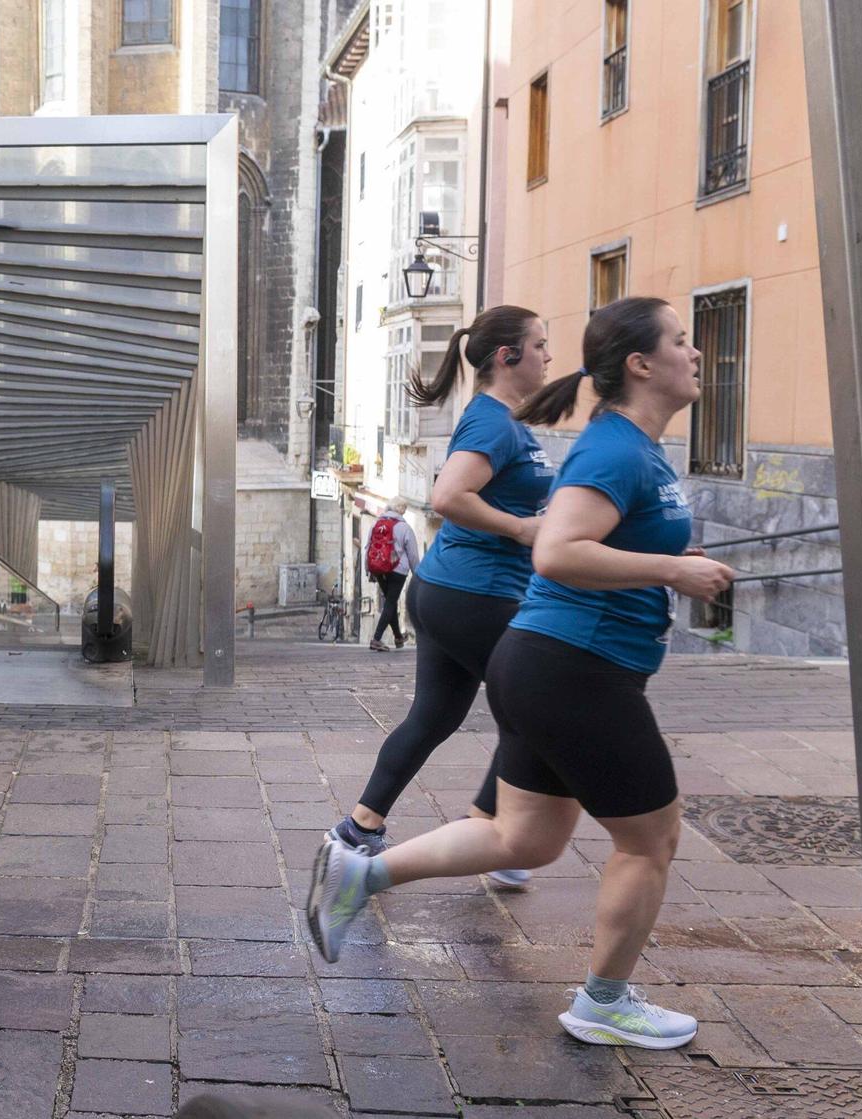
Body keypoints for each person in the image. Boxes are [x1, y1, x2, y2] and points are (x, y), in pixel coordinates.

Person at [309, 297, 734, 1050]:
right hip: (576, 669)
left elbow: (596, 540)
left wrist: (667, 561)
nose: (696, 352)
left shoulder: (632, 447)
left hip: (551, 665)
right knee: (651, 839)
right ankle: (604, 1002)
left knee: (525, 839)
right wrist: (672, 569)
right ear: (641, 364)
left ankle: (360, 873)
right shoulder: (614, 449)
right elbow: (557, 551)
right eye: (680, 340)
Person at [329, 306, 554, 891]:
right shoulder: (493, 422)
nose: (549, 356)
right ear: (507, 356)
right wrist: (522, 529)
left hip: (450, 591)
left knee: (434, 716)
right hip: (475, 594)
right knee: (537, 707)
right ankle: (493, 836)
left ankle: (356, 833)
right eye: (540, 345)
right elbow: (450, 496)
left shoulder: (504, 421)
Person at [366, 497, 420, 652]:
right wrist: (417, 575)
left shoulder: (376, 524)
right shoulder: (405, 528)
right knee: (390, 602)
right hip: (398, 570)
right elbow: (413, 555)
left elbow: (368, 547)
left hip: (379, 569)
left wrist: (369, 569)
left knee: (391, 602)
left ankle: (398, 637)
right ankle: (376, 639)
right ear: (401, 509)